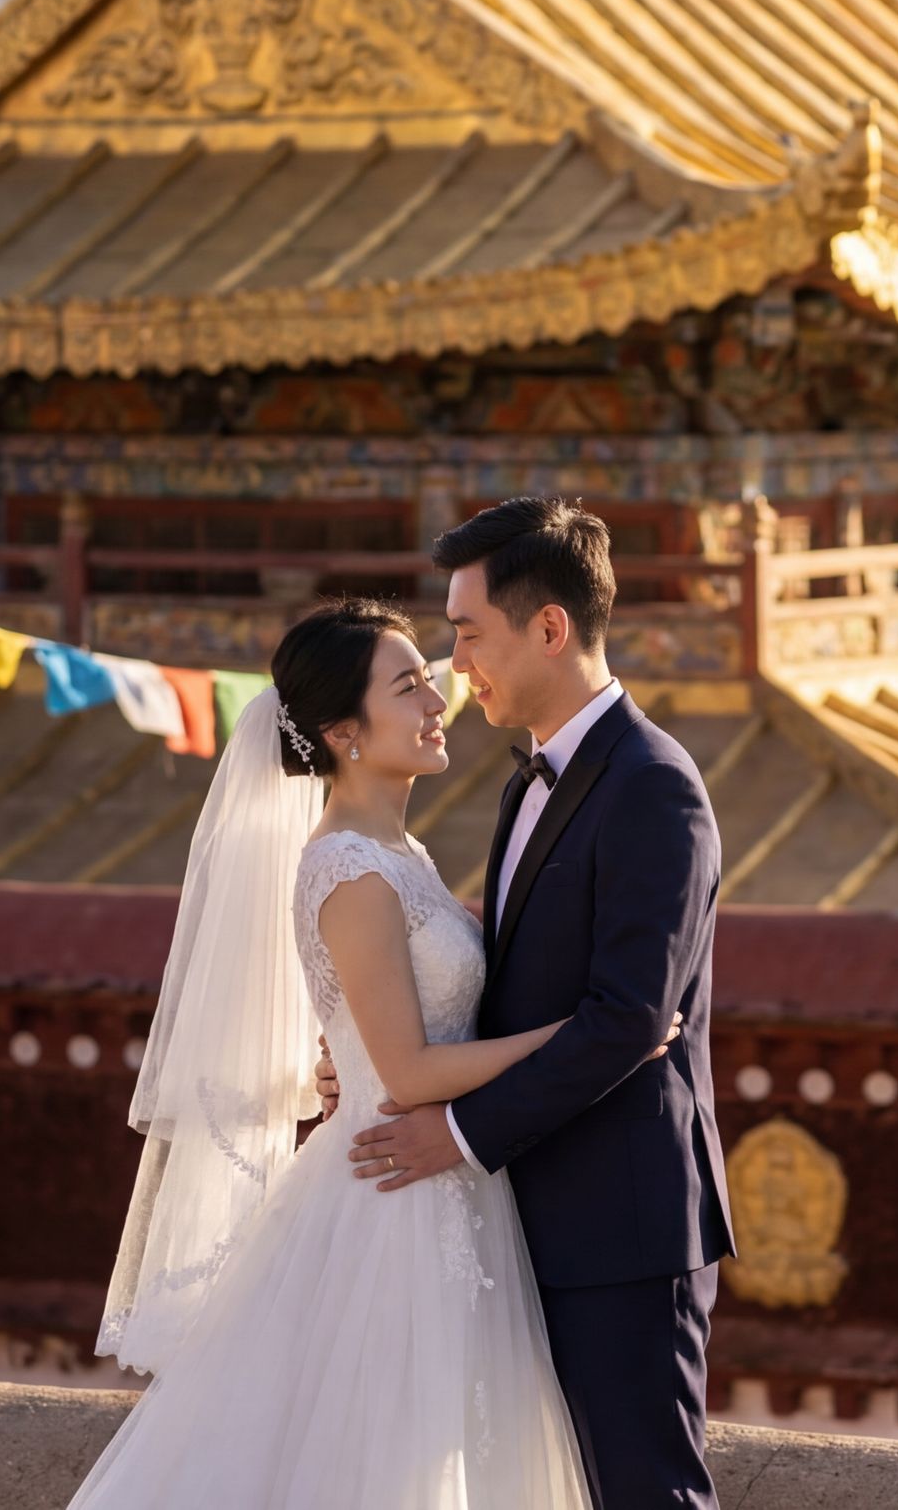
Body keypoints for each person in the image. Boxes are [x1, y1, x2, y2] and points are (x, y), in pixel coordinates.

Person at [70, 598, 622, 1507]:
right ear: (344, 733)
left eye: (430, 681)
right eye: (409, 688)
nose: (437, 701)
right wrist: (579, 1034)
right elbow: (404, 1073)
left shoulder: (398, 851)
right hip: (393, 1201)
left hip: (449, 1185)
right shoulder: (349, 868)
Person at [337, 499, 734, 1510]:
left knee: (646, 1495)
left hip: (625, 1224)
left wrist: (458, 1134)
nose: (453, 661)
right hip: (527, 1218)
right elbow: (512, 994)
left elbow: (630, 1020)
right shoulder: (526, 786)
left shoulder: (655, 789)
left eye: (468, 633)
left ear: (548, 629)